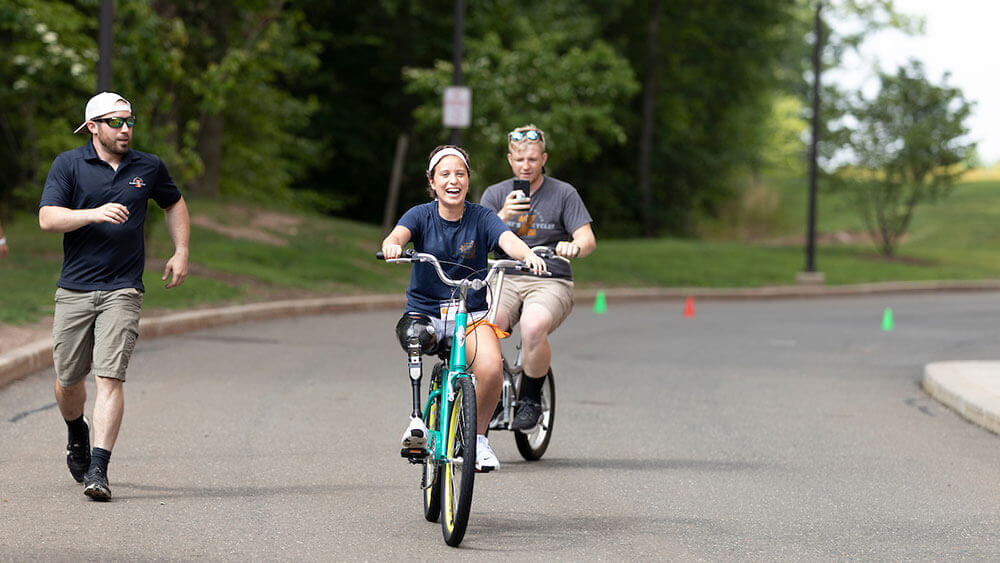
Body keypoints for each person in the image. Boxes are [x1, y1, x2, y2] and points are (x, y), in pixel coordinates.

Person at [38, 92, 190, 501]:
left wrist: (181, 250)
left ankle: (99, 470)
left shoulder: (148, 166)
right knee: (69, 381)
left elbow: (173, 203)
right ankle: (76, 431)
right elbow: (48, 218)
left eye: (129, 121)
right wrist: (94, 213)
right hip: (75, 288)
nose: (125, 129)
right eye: (115, 122)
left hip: (123, 289)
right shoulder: (68, 164)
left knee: (110, 377)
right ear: (93, 127)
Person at [382, 145, 546, 472]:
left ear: (468, 180)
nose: (453, 180)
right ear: (432, 181)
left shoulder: (481, 216)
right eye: (445, 174)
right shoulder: (419, 214)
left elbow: (507, 240)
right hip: (426, 312)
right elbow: (399, 234)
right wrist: (393, 244)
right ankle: (417, 421)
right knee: (413, 337)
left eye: (460, 174)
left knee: (490, 368)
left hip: (469, 313)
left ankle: (480, 439)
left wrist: (526, 254)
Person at [480, 124, 596, 430]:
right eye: (519, 160)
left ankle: (530, 400)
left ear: (543, 158)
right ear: (509, 160)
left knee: (532, 327)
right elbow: (475, 242)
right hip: (505, 276)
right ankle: (496, 392)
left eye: (532, 159)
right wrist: (501, 217)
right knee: (484, 328)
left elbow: (588, 240)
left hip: (549, 277)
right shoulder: (494, 195)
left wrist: (574, 246)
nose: (526, 166)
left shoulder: (563, 193)